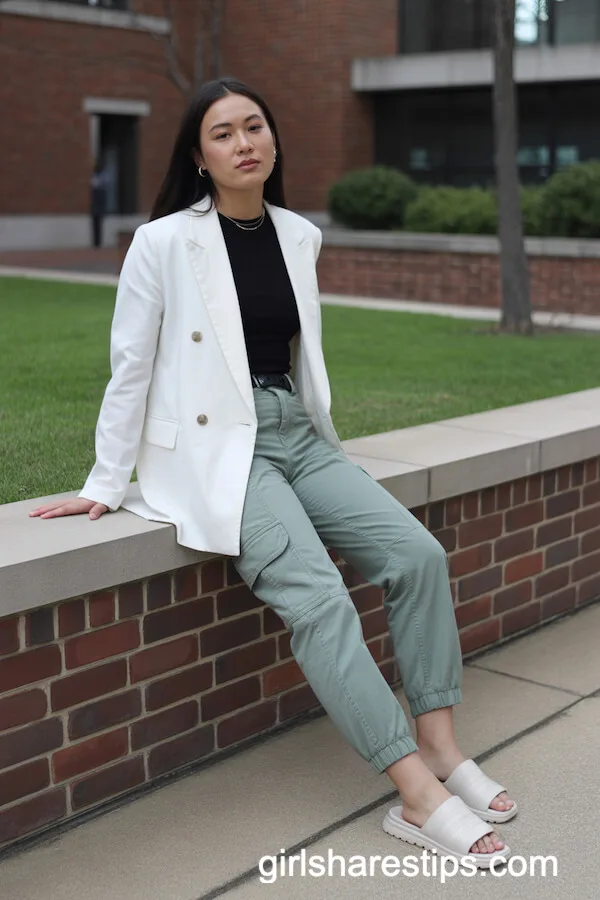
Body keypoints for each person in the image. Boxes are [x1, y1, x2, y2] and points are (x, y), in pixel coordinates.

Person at [30, 77, 517, 867]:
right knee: (319, 597)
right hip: (218, 447)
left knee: (418, 557)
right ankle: (416, 798)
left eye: (254, 126)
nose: (243, 143)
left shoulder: (298, 233)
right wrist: (102, 481)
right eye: (222, 134)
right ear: (199, 156)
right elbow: (130, 366)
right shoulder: (163, 242)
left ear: (273, 139)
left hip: (296, 430)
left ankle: (442, 749)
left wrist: (312, 438)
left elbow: (294, 354)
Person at [90, 160, 108, 248]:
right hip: (95, 204)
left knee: (99, 224)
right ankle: (96, 242)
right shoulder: (95, 176)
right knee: (95, 224)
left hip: (99, 202)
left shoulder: (102, 176)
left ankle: (98, 243)